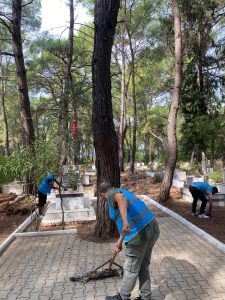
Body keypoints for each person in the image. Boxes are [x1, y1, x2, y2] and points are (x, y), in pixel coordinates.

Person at [99, 182, 160, 300]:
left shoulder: (111, 194)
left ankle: (123, 297)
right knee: (143, 265)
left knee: (130, 268)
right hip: (152, 228)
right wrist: (120, 241)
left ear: (102, 195)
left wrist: (125, 221)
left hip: (138, 234)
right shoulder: (122, 190)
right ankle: (145, 297)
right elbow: (126, 224)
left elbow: (120, 198)